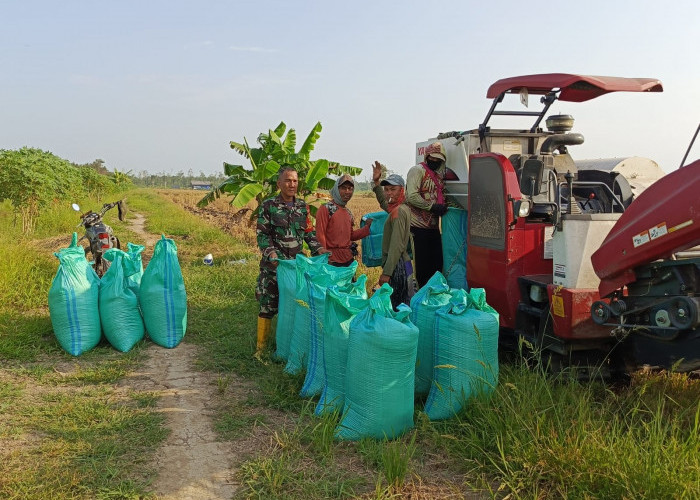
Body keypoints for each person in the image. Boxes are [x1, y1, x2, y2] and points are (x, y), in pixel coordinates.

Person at [255, 167, 328, 360]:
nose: (292, 184)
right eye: (288, 181)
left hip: (295, 268)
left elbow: (309, 233)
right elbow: (262, 235)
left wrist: (318, 249)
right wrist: (271, 253)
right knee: (268, 306)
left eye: (295, 181)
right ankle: (261, 349)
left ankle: (287, 348)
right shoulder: (268, 205)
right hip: (274, 267)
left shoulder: (302, 207)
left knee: (295, 307)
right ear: (279, 184)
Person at [404, 141, 448, 287]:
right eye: (432, 158)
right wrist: (432, 207)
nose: (434, 161)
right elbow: (412, 196)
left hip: (434, 228)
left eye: (438, 159)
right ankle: (422, 299)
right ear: (427, 156)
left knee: (437, 265)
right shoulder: (417, 171)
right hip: (417, 227)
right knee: (422, 268)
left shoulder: (439, 176)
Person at [371, 172, 412, 310]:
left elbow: (396, 245)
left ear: (402, 190)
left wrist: (387, 273)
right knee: (404, 303)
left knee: (396, 307)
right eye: (386, 190)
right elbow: (384, 202)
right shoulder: (400, 208)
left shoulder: (398, 212)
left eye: (393, 189)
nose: (389, 193)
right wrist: (377, 184)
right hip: (403, 264)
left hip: (397, 266)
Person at [315, 174, 372, 267]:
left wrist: (366, 228)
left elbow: (350, 236)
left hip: (347, 259)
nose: (347, 191)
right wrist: (325, 259)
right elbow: (320, 235)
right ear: (337, 189)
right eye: (343, 188)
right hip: (332, 260)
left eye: (350, 188)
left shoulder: (348, 212)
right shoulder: (327, 209)